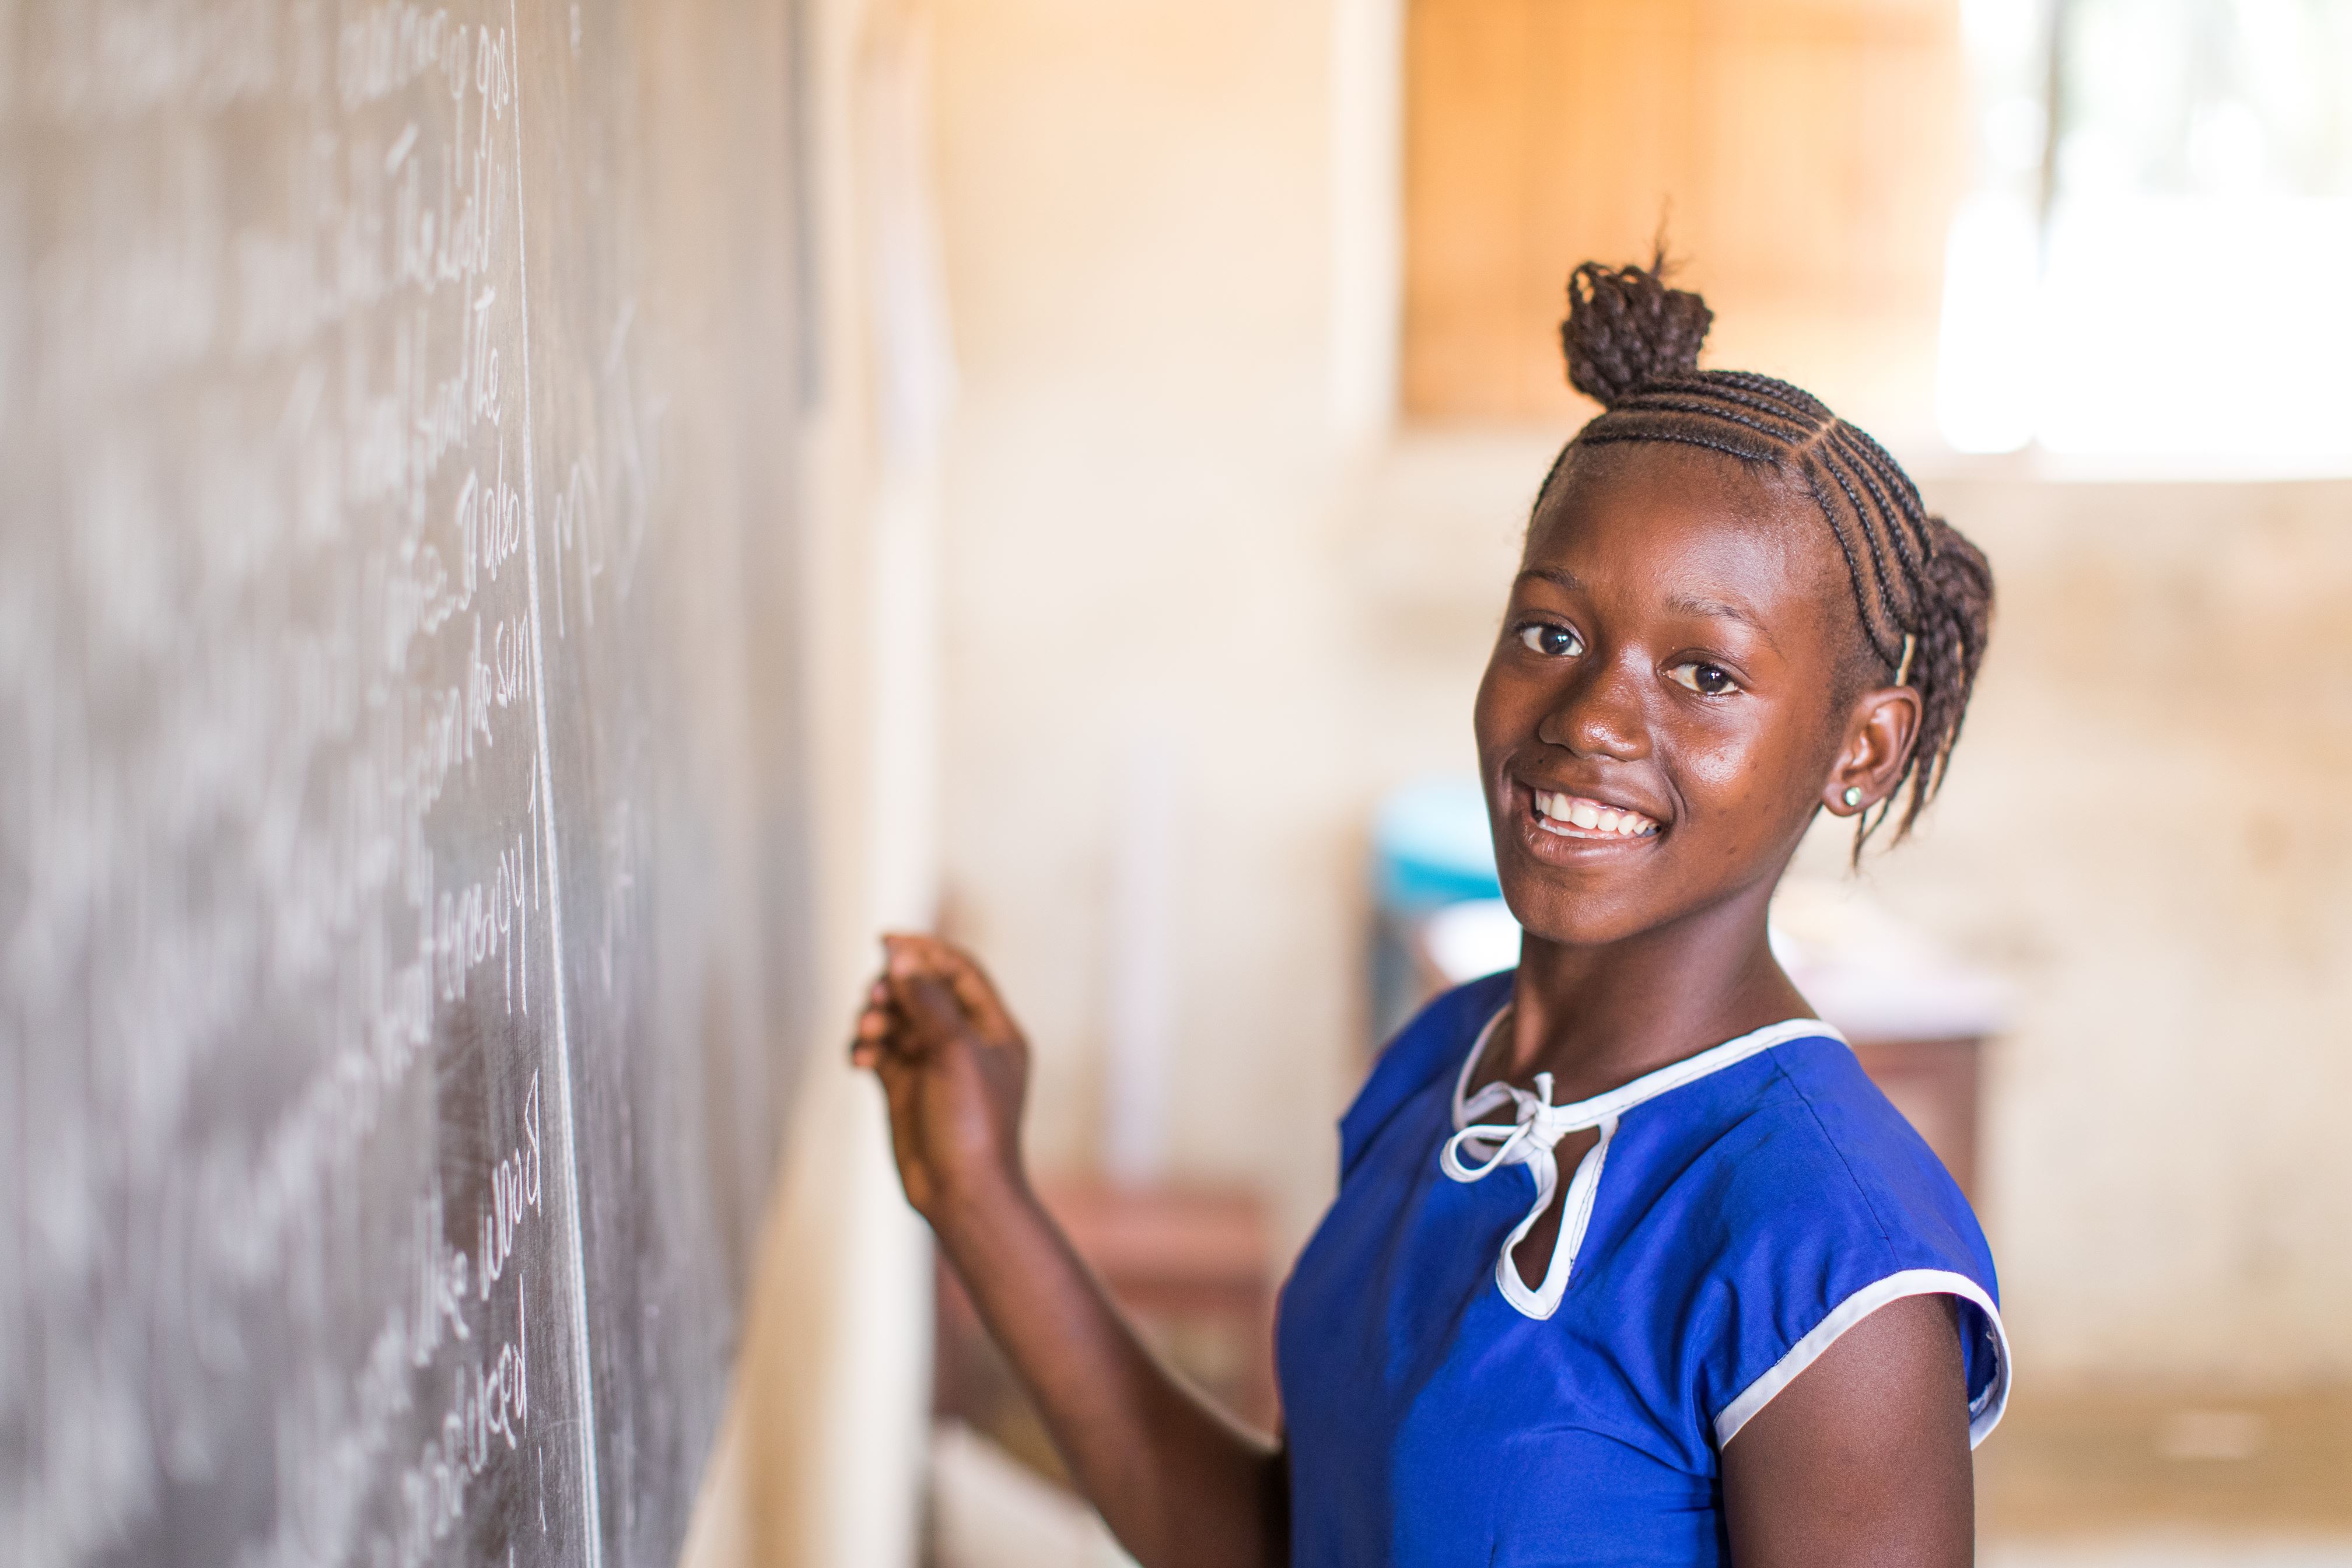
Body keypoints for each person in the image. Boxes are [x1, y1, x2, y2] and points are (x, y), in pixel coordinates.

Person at [851, 254, 2006, 1567]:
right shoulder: (1438, 1073)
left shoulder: (1826, 1263)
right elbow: (1291, 1541)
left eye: (1703, 673)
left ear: (1862, 750)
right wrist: (978, 1189)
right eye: (1554, 634)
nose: (1589, 722)